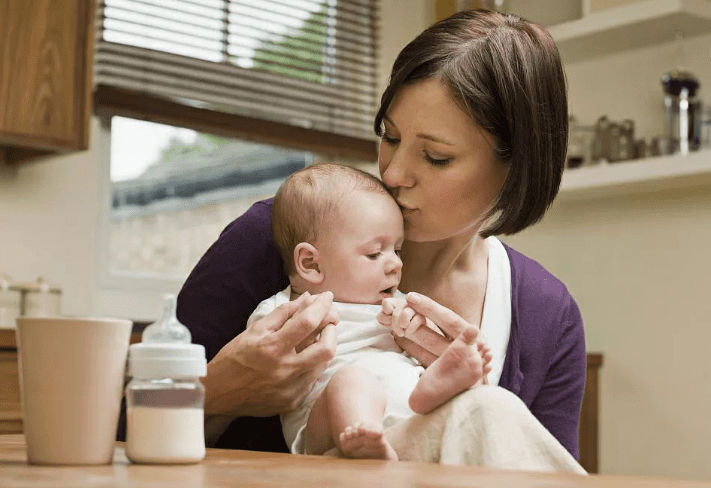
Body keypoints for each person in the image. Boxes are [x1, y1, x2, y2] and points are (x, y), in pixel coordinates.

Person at [177, 8, 586, 470]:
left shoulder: (549, 318)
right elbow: (125, 429)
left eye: (435, 157)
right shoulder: (278, 238)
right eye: (389, 137)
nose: (392, 173)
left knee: (486, 409)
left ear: (516, 166)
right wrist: (222, 390)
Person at [250, 163, 492, 459]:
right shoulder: (284, 311)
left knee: (419, 374)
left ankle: (435, 389)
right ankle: (364, 441)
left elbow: (424, 342)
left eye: (398, 250)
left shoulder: (398, 303)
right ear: (311, 264)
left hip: (410, 412)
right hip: (329, 430)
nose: (396, 264)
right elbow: (260, 361)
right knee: (351, 381)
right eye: (375, 253)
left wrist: (415, 329)